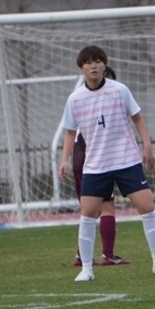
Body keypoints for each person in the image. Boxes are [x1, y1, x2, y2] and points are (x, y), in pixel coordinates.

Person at [57, 45, 155, 282]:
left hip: (126, 160)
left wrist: (147, 145)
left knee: (147, 207)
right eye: (88, 63)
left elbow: (137, 117)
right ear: (82, 68)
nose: (94, 66)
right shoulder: (75, 99)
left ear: (104, 65)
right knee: (87, 214)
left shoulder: (119, 90)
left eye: (98, 61)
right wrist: (64, 160)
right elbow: (69, 132)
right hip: (96, 166)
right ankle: (87, 269)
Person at [61, 65, 129, 268]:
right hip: (93, 157)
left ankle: (81, 255)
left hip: (80, 156)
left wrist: (64, 160)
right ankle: (107, 255)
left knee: (88, 210)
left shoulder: (82, 100)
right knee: (106, 206)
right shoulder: (95, 100)